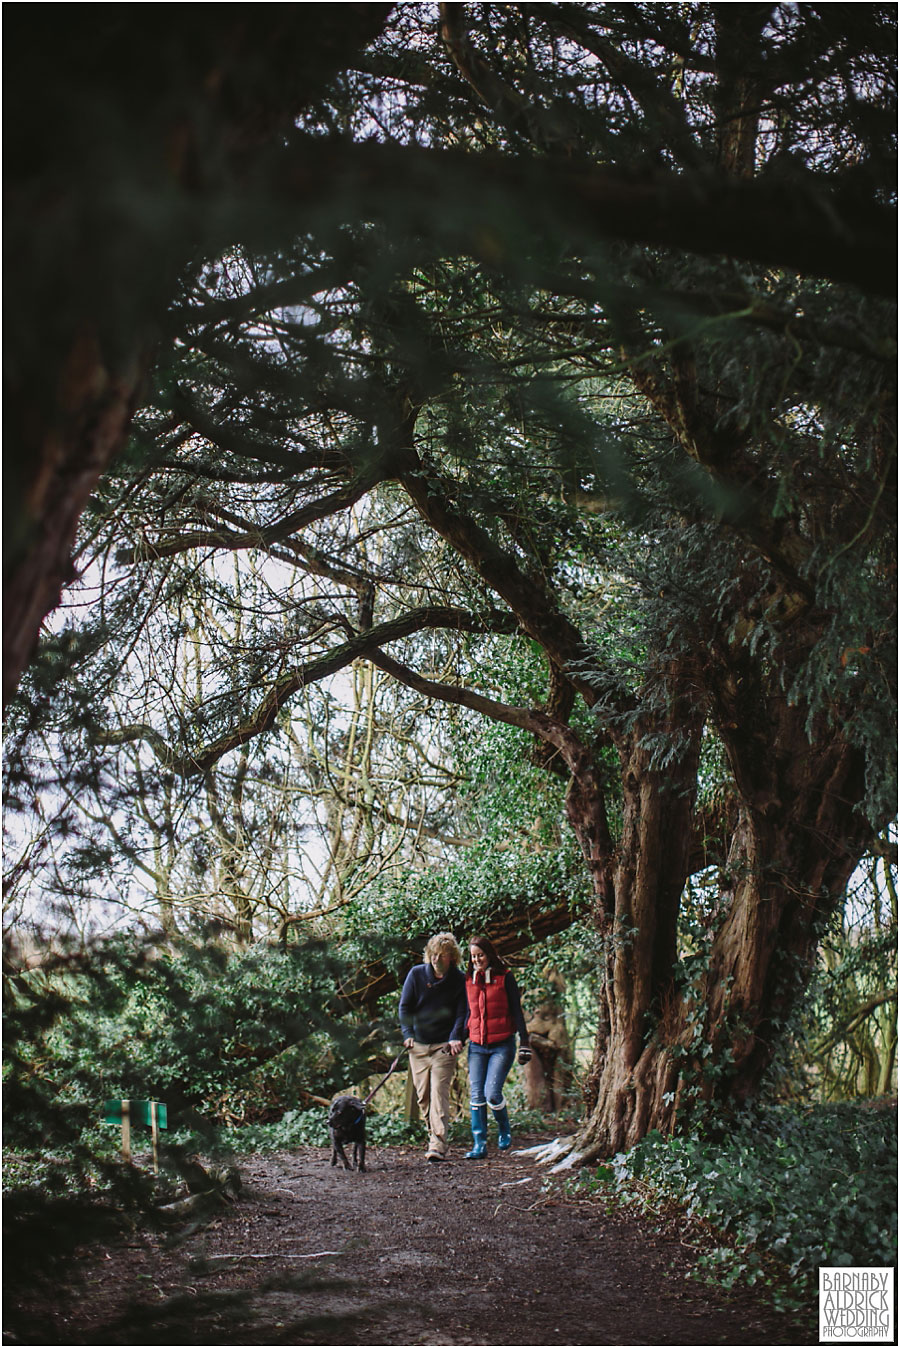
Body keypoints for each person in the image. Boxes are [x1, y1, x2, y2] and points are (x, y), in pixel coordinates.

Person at [398, 932, 466, 1162]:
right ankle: (433, 1134)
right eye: (434, 955)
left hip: (443, 1046)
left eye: (443, 956)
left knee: (439, 1092)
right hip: (417, 1045)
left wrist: (457, 1037)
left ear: (452, 959)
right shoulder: (416, 975)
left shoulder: (459, 980)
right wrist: (407, 1034)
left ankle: (438, 1143)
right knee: (424, 1097)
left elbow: (462, 1013)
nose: (437, 959)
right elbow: (405, 1007)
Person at [463, 934, 532, 1159]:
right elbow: (466, 1012)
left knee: (492, 1093)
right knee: (476, 1094)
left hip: (502, 1044)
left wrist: (525, 1042)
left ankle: (504, 1128)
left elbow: (516, 1011)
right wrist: (457, 1037)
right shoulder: (468, 979)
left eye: (480, 955)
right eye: (473, 957)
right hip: (476, 1045)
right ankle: (479, 1144)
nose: (476, 960)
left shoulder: (505, 977)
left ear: (489, 954)